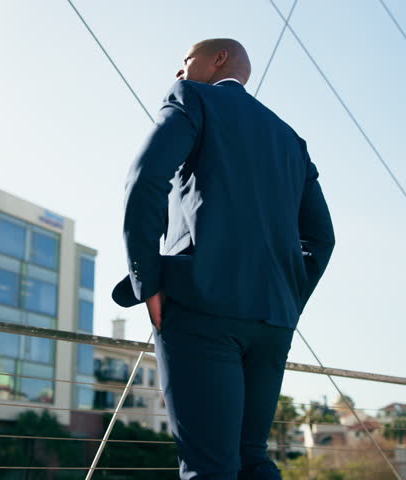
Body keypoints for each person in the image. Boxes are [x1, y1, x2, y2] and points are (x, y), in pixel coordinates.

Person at [111, 38, 335, 479]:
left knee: (208, 466)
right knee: (252, 459)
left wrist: (147, 281)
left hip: (201, 309)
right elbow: (322, 239)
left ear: (217, 60)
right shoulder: (291, 139)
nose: (179, 72)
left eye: (186, 61)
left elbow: (144, 182)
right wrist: (285, 304)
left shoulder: (191, 98)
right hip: (272, 322)